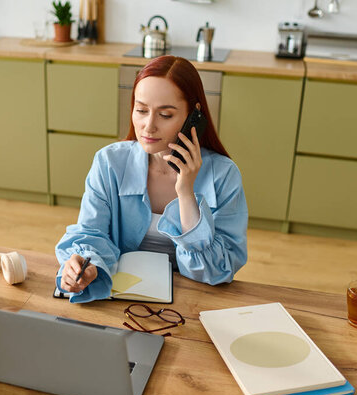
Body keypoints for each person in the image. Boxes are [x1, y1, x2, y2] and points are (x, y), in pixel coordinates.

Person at [55, 55, 248, 303]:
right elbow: (91, 233)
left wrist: (186, 193)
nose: (148, 126)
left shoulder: (224, 175)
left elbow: (218, 269)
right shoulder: (109, 162)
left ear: (194, 116)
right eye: (141, 110)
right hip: (121, 296)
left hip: (191, 299)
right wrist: (86, 265)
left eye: (165, 115)